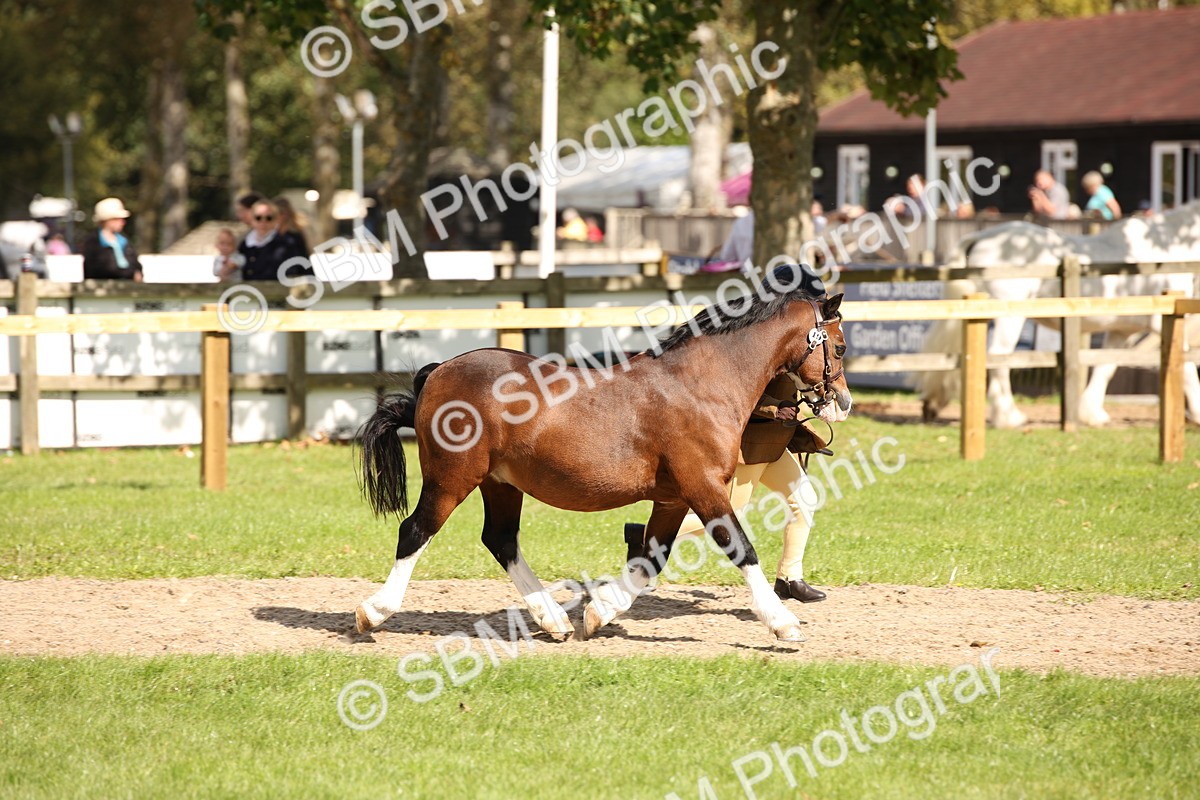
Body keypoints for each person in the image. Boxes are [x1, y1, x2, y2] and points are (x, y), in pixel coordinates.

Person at [624, 264, 836, 604]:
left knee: (804, 501)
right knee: (724, 512)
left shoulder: (793, 334)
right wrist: (774, 409)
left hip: (776, 443)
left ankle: (789, 577)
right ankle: (644, 540)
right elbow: (734, 394)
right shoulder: (756, 336)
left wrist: (820, 401)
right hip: (749, 444)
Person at [237, 199, 309, 281]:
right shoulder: (244, 244)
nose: (263, 222)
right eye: (258, 218)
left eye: (268, 218)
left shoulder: (286, 244)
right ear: (252, 219)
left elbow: (293, 273)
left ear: (276, 220)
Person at [81, 197, 143, 281]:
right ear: (106, 220)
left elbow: (136, 266)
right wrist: (127, 273)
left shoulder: (124, 242)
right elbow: (97, 269)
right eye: (117, 219)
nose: (122, 222)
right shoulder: (93, 243)